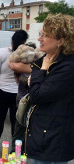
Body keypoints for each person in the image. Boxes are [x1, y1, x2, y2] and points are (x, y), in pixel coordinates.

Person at [27, 14, 74, 163]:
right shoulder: (46, 59)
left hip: (52, 142)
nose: (39, 38)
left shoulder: (68, 67)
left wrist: (41, 72)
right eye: (41, 34)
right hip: (41, 136)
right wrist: (40, 74)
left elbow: (37, 95)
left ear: (60, 41)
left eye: (45, 35)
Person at [0, 30, 28, 156]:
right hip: (18, 94)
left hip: (2, 91)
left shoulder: (2, 52)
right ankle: (16, 151)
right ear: (24, 42)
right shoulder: (26, 54)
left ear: (12, 39)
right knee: (17, 122)